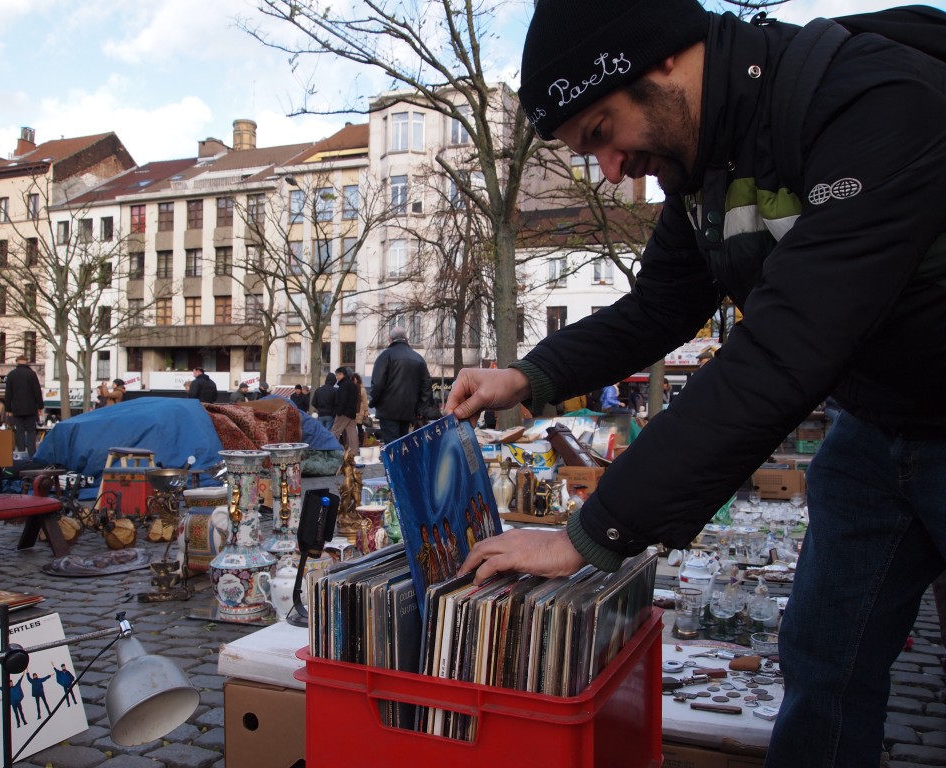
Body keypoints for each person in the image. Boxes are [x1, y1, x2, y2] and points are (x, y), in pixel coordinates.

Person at [448, 3, 946, 767]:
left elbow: (782, 351)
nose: (610, 170)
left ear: (662, 60)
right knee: (822, 661)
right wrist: (525, 375)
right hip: (879, 427)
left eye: (602, 134)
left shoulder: (872, 100)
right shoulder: (703, 168)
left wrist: (588, 535)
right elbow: (659, 306)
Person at [368, 326, 433, 444]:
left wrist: (373, 402)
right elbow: (426, 386)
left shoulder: (385, 356)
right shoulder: (418, 359)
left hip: (388, 411)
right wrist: (420, 410)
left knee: (392, 447)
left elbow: (377, 384)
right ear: (407, 339)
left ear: (390, 339)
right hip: (409, 412)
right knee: (404, 446)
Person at [4, 356, 43, 457]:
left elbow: (8, 393)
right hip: (31, 408)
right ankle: (32, 453)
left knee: (19, 431)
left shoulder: (11, 375)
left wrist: (8, 409)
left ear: (17, 362)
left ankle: (21, 453)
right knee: (31, 431)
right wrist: (40, 406)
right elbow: (37, 391)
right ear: (27, 362)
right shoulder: (32, 374)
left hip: (16, 408)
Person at [330, 366, 360, 455]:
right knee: (352, 432)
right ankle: (353, 452)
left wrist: (338, 412)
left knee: (335, 431)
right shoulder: (353, 385)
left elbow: (342, 400)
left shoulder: (344, 385)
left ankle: (331, 450)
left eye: (338, 374)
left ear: (343, 374)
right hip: (351, 412)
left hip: (343, 412)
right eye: (336, 375)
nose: (337, 377)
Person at [352, 372, 370, 445]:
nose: (354, 381)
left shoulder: (362, 389)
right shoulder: (352, 388)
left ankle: (360, 442)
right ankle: (355, 442)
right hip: (353, 411)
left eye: (355, 380)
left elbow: (365, 401)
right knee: (353, 428)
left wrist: (366, 411)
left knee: (359, 427)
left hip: (360, 411)